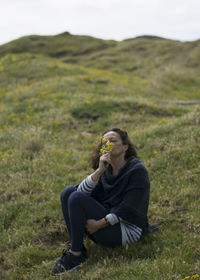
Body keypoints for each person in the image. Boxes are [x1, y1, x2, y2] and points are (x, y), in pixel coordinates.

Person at [51, 128, 150, 276]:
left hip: (125, 229)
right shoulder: (106, 169)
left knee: (76, 198)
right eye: (104, 142)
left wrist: (99, 224)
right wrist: (99, 171)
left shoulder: (136, 170)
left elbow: (129, 208)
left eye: (113, 140)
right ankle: (76, 246)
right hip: (105, 218)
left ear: (125, 147)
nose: (108, 144)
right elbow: (79, 192)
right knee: (68, 193)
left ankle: (76, 255)